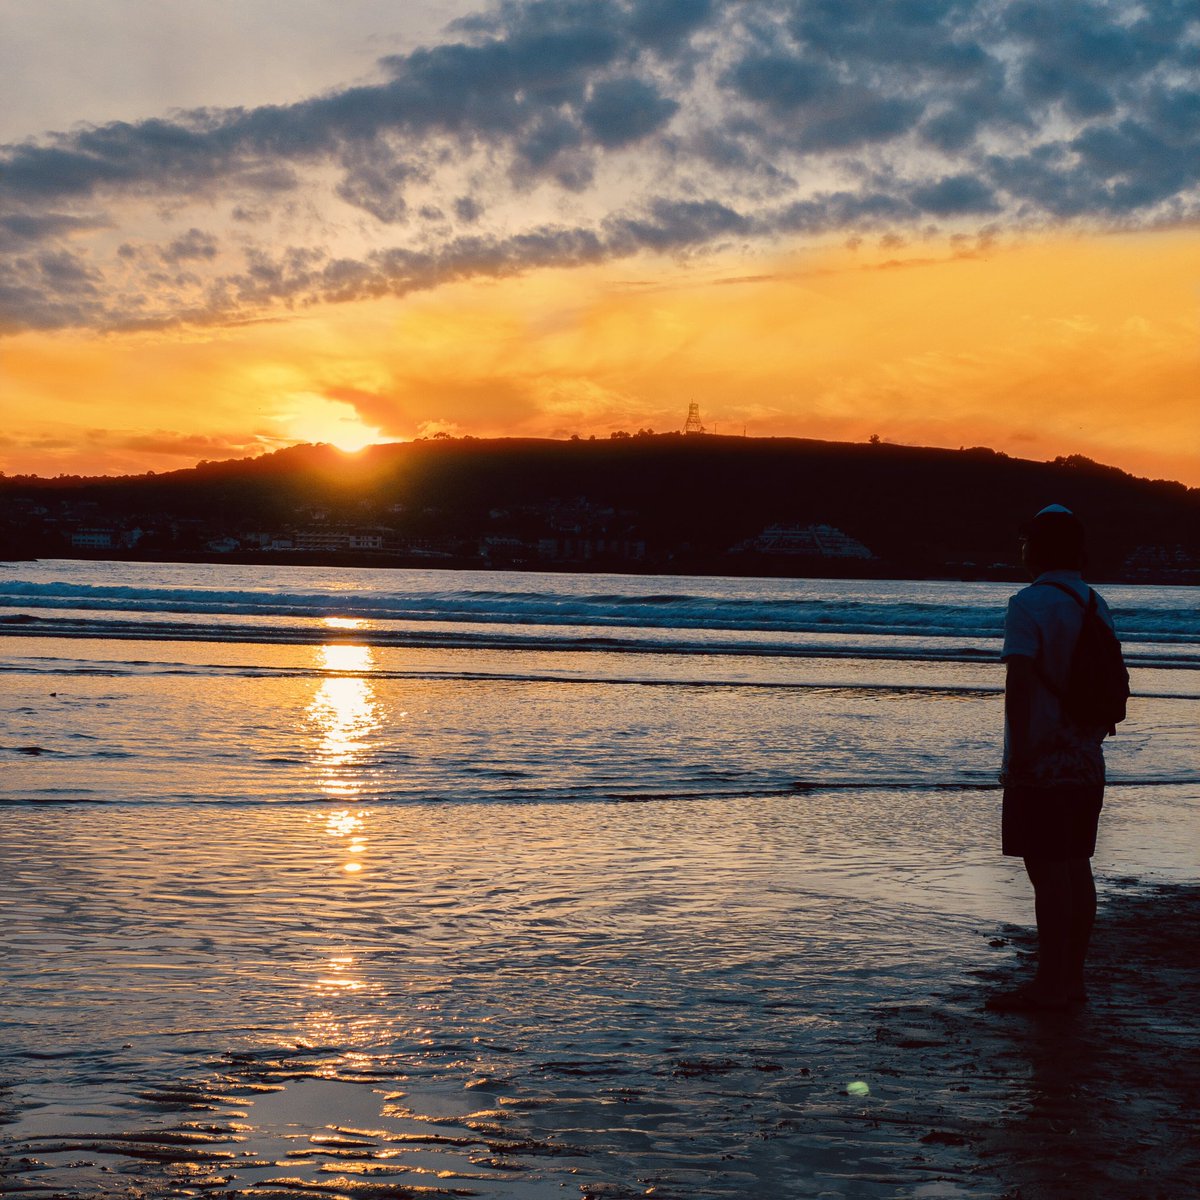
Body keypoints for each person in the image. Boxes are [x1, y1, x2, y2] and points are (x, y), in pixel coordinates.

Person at [988, 504, 1117, 1012]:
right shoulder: (1094, 603)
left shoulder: (1028, 603)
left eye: (1025, 543)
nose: (1021, 551)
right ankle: (1071, 981)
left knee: (1047, 875)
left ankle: (1048, 986)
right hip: (1086, 757)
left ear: (1036, 549)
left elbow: (1019, 682)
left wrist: (1019, 756)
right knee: (1077, 867)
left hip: (1041, 758)